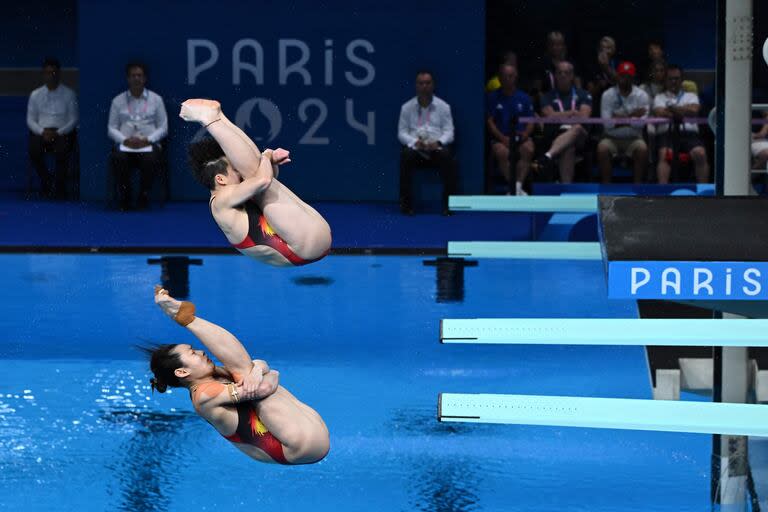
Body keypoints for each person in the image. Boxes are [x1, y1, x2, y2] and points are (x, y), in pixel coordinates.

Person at [147, 286, 330, 465]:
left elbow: (260, 366)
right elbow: (265, 384)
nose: (201, 352)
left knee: (246, 371)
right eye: (193, 353)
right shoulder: (203, 395)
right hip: (296, 447)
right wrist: (264, 373)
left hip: (306, 440)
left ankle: (188, 319)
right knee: (244, 371)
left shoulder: (213, 376)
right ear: (182, 372)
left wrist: (259, 371)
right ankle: (188, 320)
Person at [183, 99, 332, 266]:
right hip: (302, 248)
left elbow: (270, 178)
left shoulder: (237, 191)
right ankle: (212, 120)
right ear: (220, 179)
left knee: (255, 168)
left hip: (308, 242)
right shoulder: (221, 201)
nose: (238, 170)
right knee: (254, 169)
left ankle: (218, 117)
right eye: (234, 169)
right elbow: (264, 179)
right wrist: (267, 156)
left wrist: (270, 161)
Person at [108, 62, 168, 210]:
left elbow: (163, 127)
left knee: (151, 159)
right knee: (118, 158)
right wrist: (125, 140)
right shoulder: (117, 101)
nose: (136, 79)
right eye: (133, 76)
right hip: (125, 145)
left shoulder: (156, 100)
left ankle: (143, 195)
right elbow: (111, 128)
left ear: (145, 78)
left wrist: (147, 140)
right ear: (128, 79)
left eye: (139, 75)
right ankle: (125, 196)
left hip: (149, 145)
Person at [397, 71, 457, 215]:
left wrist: (438, 142)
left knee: (447, 156)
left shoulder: (444, 107)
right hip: (416, 149)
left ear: (433, 85)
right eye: (421, 83)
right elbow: (402, 133)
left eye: (427, 83)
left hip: (436, 149)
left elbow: (449, 132)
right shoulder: (406, 107)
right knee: (406, 155)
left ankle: (449, 206)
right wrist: (415, 142)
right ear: (416, 86)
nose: (424, 86)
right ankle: (406, 206)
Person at [27, 57, 78, 199]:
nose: (50, 76)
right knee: (34, 150)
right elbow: (30, 120)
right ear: (43, 74)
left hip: (62, 132)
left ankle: (60, 187)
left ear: (58, 74)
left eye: (53, 73)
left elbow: (73, 119)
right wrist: (42, 132)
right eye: (47, 73)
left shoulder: (69, 94)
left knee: (63, 150)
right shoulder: (35, 95)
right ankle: (46, 181)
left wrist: (58, 133)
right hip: (41, 132)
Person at [536, 61, 593, 183]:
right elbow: (549, 115)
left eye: (566, 73)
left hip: (580, 137)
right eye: (559, 72)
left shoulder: (583, 94)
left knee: (577, 128)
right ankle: (566, 188)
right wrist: (571, 113)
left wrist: (559, 115)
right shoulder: (547, 96)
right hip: (556, 134)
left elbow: (583, 116)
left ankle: (548, 156)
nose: (563, 75)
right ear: (555, 76)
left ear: (572, 76)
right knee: (568, 148)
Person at [652, 64, 709, 183]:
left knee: (700, 153)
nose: (674, 81)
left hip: (689, 134)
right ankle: (663, 193)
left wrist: (671, 108)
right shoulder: (659, 97)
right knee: (664, 154)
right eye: (670, 79)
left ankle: (703, 191)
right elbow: (659, 112)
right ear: (665, 80)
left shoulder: (691, 96)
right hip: (667, 134)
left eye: (676, 78)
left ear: (681, 79)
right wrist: (684, 110)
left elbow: (694, 111)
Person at [596, 61, 650, 183]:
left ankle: (638, 188)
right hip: (611, 137)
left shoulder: (642, 95)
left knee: (642, 149)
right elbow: (607, 124)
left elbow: (640, 124)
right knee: (602, 149)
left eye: (628, 76)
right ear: (617, 76)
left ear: (633, 78)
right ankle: (606, 187)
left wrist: (617, 118)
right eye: (622, 75)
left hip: (634, 137)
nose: (624, 79)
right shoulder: (607, 95)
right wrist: (632, 116)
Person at [486, 63, 535, 195]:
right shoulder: (492, 97)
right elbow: (490, 122)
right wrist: (503, 139)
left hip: (521, 137)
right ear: (500, 78)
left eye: (511, 76)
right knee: (502, 153)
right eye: (505, 76)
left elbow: (531, 121)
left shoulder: (524, 98)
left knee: (528, 149)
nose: (508, 79)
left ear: (516, 77)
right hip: (502, 138)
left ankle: (517, 187)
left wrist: (524, 136)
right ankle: (513, 187)